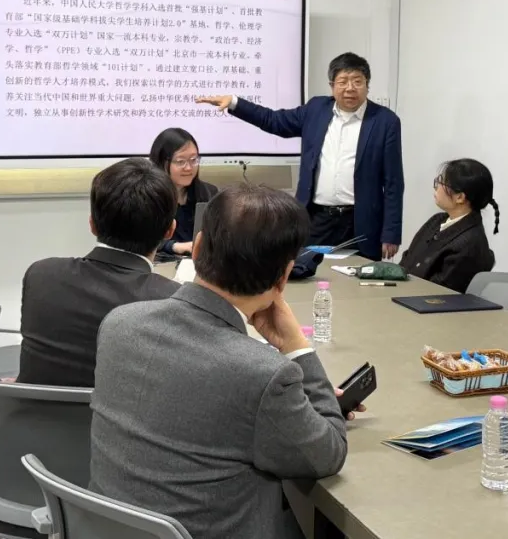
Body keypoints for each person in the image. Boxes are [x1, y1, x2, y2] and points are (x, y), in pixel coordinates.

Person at [90, 184, 348, 539]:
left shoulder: (119, 323)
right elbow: (328, 453)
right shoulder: (263, 374)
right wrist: (297, 348)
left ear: (196, 248)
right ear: (284, 276)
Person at [197, 52, 404, 260]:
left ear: (367, 85)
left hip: (361, 222)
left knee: (360, 277)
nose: (350, 88)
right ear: (332, 85)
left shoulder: (385, 121)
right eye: (343, 81)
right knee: (309, 271)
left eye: (357, 81)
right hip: (317, 218)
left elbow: (393, 182)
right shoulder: (316, 110)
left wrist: (391, 233)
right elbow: (274, 120)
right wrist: (235, 103)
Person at [17, 158, 180, 387]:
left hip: (29, 410)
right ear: (169, 230)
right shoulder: (173, 301)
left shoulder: (41, 275)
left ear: (92, 224)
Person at [399, 159, 499, 293]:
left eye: (442, 182)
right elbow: (406, 261)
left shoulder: (469, 243)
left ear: (460, 197)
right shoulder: (437, 220)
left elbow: (438, 292)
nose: (436, 187)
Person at [148, 127, 218, 257]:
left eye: (193, 160)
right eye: (181, 161)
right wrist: (173, 246)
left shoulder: (210, 193)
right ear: (162, 162)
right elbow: (139, 239)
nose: (188, 167)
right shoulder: (148, 196)